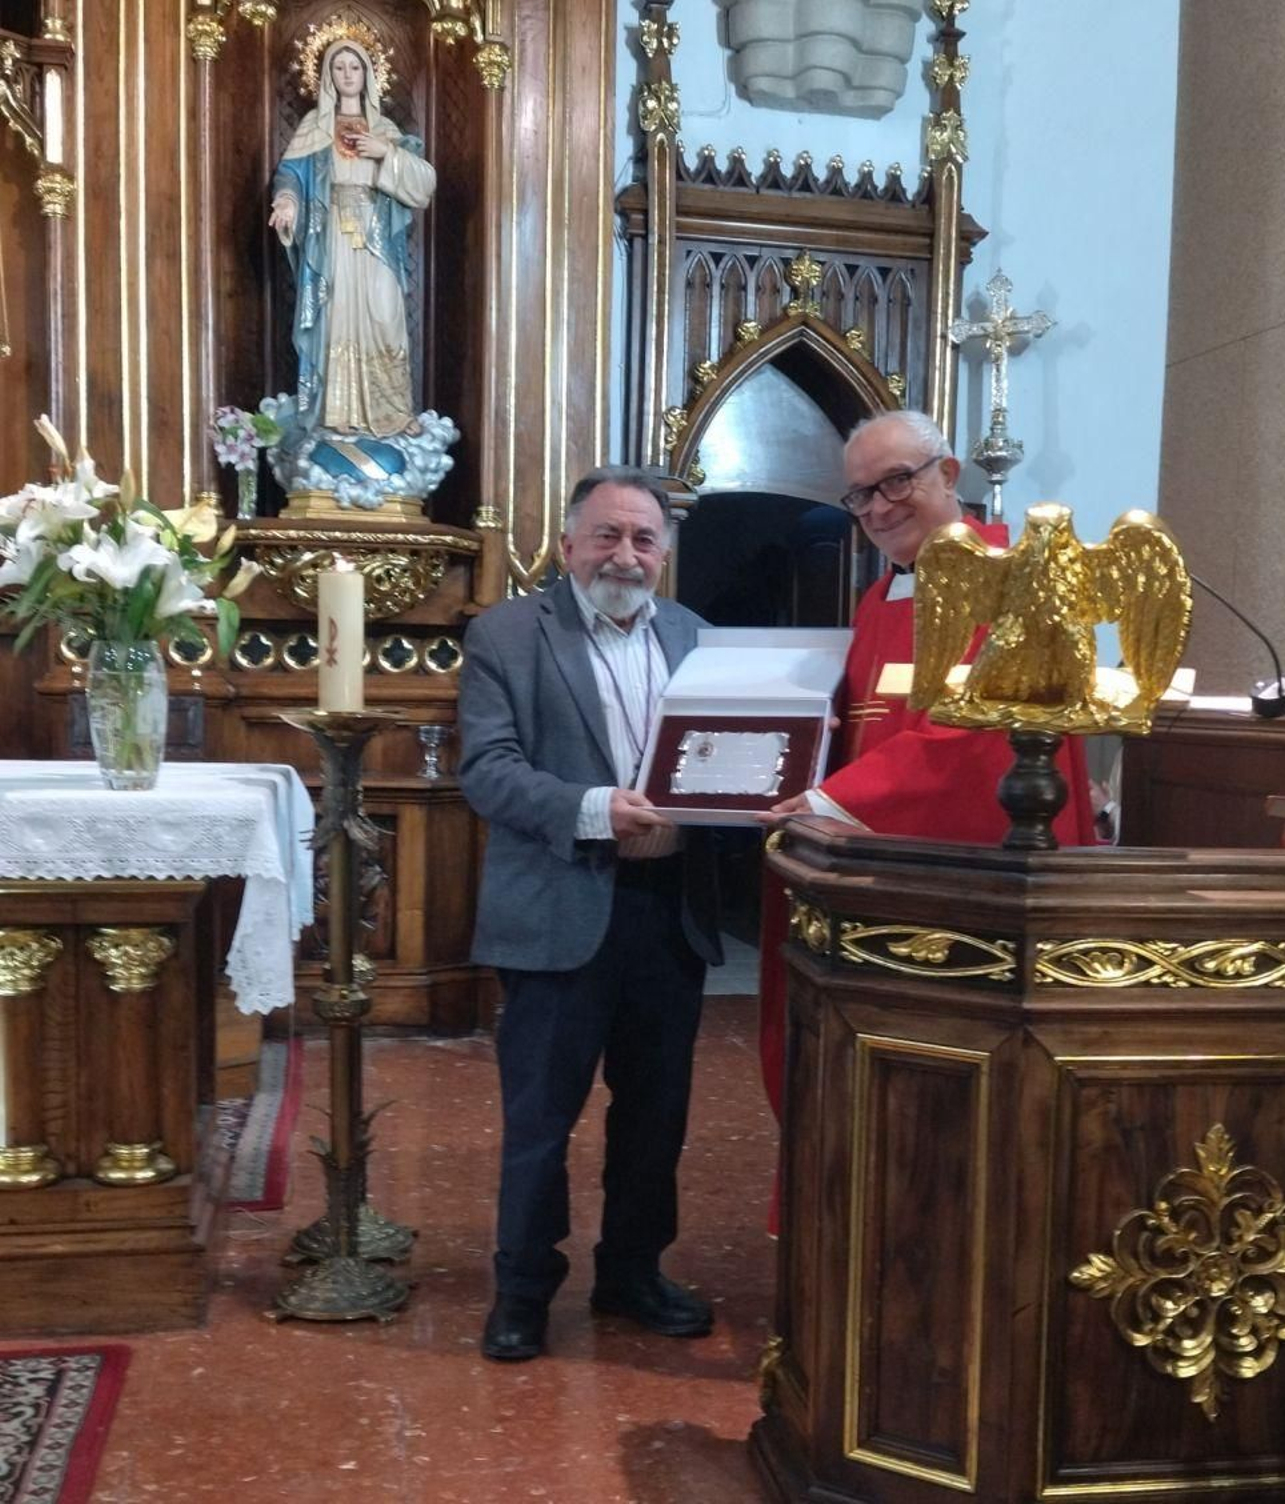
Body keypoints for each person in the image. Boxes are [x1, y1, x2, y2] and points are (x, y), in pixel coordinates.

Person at [758, 412, 1097, 1180]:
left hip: (969, 880)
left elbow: (979, 735)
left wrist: (828, 804)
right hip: (863, 877)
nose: (877, 508)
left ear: (950, 474)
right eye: (859, 496)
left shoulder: (1017, 577)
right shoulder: (878, 599)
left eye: (896, 482)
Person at [458, 466, 722, 1363]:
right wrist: (594, 807)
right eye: (606, 535)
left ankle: (632, 1273)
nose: (625, 554)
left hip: (667, 914)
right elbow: (486, 770)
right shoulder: (505, 635)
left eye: (644, 539)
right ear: (568, 545)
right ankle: (523, 1289)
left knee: (656, 1116)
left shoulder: (699, 639)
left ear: (666, 554)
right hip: (557, 910)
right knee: (541, 1117)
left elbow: (732, 753)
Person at [269, 40, 436, 439]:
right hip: (332, 242)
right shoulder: (315, 128)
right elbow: (290, 175)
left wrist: (385, 154)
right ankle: (336, 409)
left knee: (386, 316)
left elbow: (424, 184)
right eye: (339, 67)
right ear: (327, 76)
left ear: (367, 75)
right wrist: (288, 202)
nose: (347, 75)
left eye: (354, 67)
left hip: (376, 238)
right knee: (337, 317)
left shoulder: (384, 130)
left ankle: (393, 411)